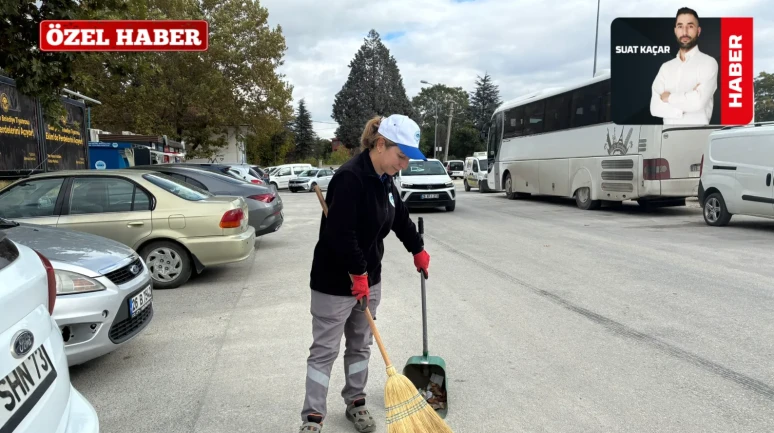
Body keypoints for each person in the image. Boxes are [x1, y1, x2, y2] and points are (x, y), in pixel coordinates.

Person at [299, 114, 431, 432]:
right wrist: (357, 273)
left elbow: (399, 218)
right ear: (381, 144)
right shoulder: (350, 178)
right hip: (334, 281)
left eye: (408, 159)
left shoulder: (385, 181)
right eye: (401, 156)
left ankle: (355, 402)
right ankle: (313, 417)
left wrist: (417, 249)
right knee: (325, 350)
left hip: (369, 279)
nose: (404, 165)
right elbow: (340, 235)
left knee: (360, 345)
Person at [649, 7, 718, 125]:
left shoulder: (709, 63)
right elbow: (654, 108)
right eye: (680, 26)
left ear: (698, 31)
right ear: (675, 30)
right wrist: (687, 102)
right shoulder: (666, 68)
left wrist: (669, 98)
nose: (684, 32)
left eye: (690, 26)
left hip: (697, 135)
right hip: (667, 137)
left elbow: (698, 102)